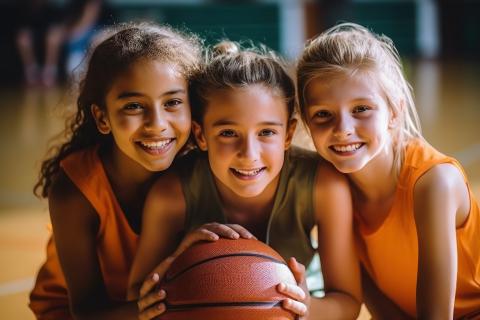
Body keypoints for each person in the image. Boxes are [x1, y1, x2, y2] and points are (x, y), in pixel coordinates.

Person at [128, 41, 362, 320]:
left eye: (266, 133)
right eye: (228, 133)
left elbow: (347, 302)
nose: (248, 154)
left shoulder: (323, 185)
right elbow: (135, 297)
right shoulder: (172, 193)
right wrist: (175, 260)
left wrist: (307, 308)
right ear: (201, 136)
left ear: (288, 134)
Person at [296, 22, 480, 319]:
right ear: (306, 123)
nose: (343, 130)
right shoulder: (330, 192)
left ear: (394, 112)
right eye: (323, 115)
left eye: (361, 109)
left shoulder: (434, 183)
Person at [29, 22, 202, 319]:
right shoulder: (75, 190)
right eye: (134, 106)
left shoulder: (203, 168)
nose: (156, 123)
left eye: (172, 102)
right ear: (102, 118)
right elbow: (86, 311)